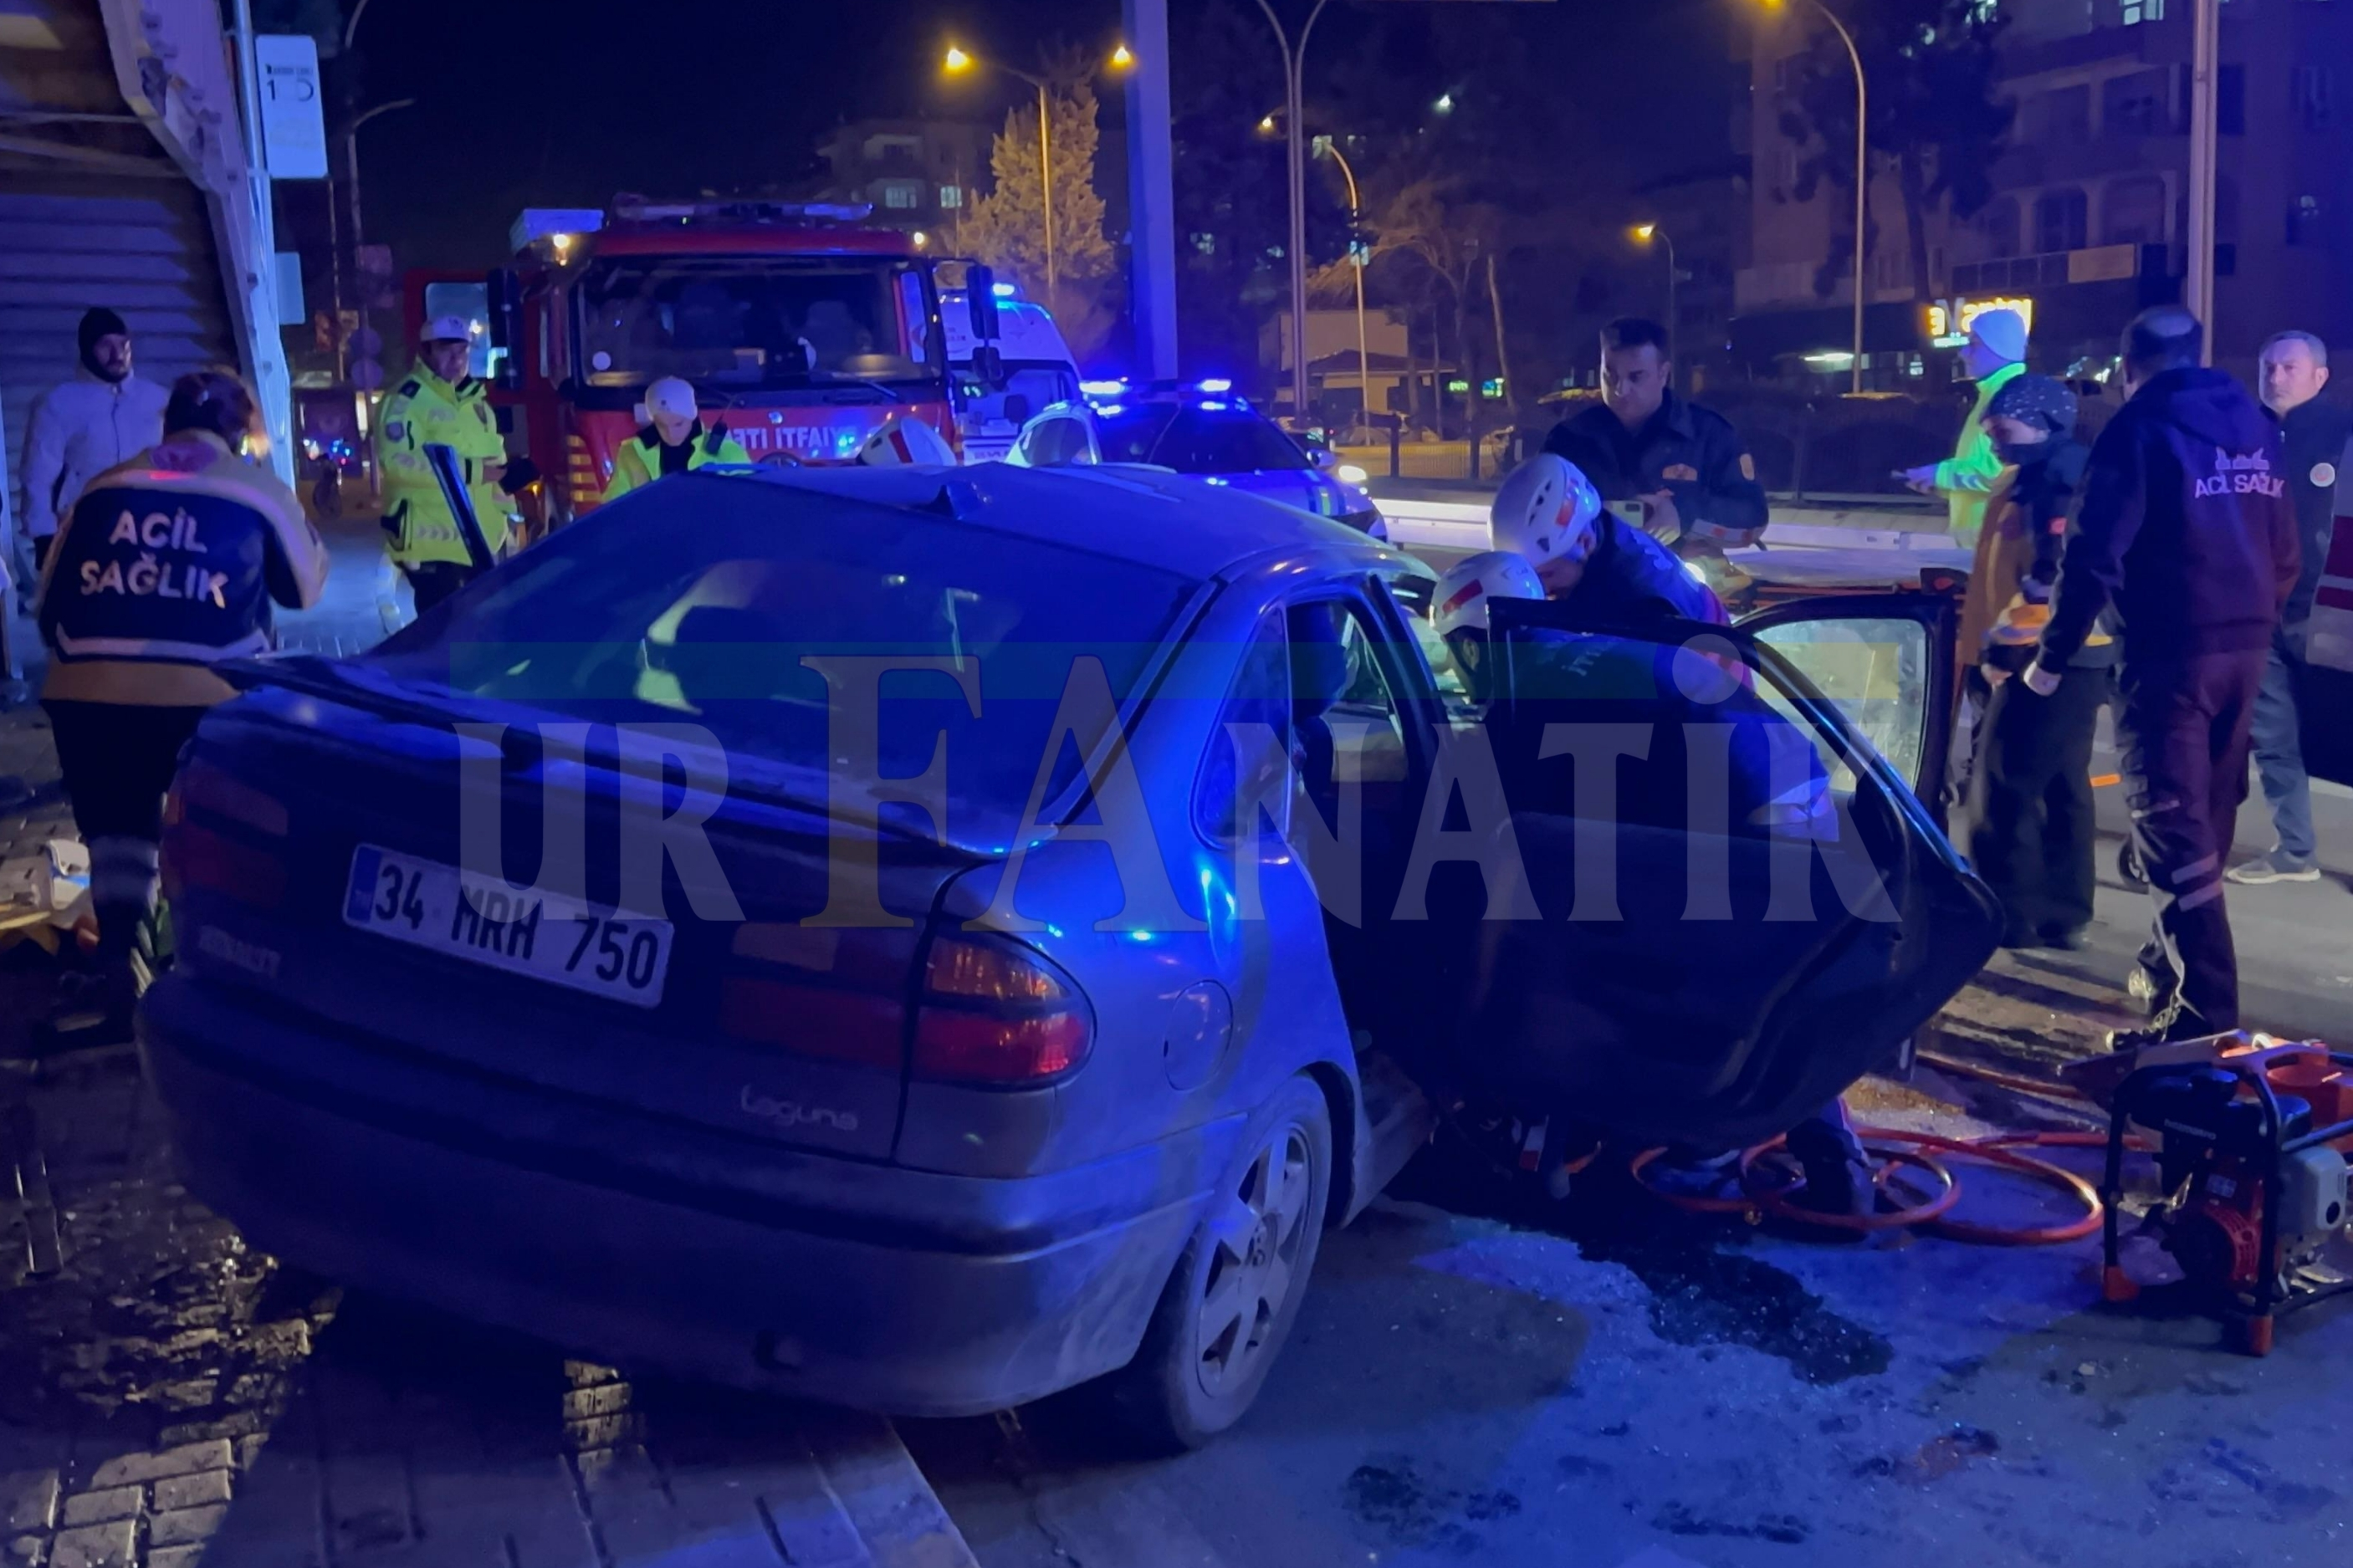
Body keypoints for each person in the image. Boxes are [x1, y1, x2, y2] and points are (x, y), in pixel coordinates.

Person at [2026, 307, 2299, 1048]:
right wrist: (2252, 623)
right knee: (2207, 814)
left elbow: (2091, 556)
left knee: (2170, 827)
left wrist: (2051, 658)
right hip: (2242, 650)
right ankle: (2162, 965)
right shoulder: (2254, 425)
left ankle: (2202, 1018)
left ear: (2125, 368)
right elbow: (2284, 546)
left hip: (2168, 654)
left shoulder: (2135, 429)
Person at [33, 370, 328, 1039]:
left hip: (88, 695)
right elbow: (305, 588)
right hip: (204, 697)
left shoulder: (105, 484)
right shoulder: (254, 488)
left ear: (166, 425)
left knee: (116, 835)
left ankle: (119, 961)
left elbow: (49, 603)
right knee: (224, 826)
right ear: (237, 431)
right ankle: (221, 967)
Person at [1957, 373, 2112, 951]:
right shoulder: (2040, 475)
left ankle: (2006, 911)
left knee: (2002, 785)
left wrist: (2000, 649)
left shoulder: (2055, 480)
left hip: (2040, 656)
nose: (1996, 440)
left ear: (2045, 422)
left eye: (2005, 428)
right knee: (2058, 783)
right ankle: (2061, 911)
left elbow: (2050, 578)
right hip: (2071, 654)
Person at [2228, 330, 2350, 885]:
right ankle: (2294, 849)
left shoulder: (2341, 435)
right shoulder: (2241, 434)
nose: (2275, 377)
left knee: (2337, 732)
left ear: (2319, 377)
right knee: (2273, 733)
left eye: (2289, 368)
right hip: (2257, 610)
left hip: (2327, 614)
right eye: (2268, 366)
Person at [1541, 318, 1768, 559]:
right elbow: (1534, 515)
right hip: (1594, 584)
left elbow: (1752, 516)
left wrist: (1683, 513)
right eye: (1610, 375)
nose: (1620, 389)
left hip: (1681, 584)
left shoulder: (1709, 436)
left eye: (1636, 377)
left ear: (1663, 373)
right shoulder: (1569, 440)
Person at [18, 308, 169, 587]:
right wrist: (43, 535)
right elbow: (38, 474)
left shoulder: (157, 400)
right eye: (105, 345)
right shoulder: (59, 403)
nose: (117, 353)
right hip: (85, 528)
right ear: (87, 349)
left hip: (150, 528)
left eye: (123, 344)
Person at [1488, 452, 1728, 628]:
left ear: (1582, 542)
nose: (1541, 589)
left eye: (1546, 575)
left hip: (1712, 686)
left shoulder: (1629, 600)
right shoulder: (1603, 530)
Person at [376, 316, 512, 615]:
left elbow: (495, 463)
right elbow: (397, 461)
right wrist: (476, 473)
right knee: (444, 631)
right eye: (446, 350)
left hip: (480, 541)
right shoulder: (405, 401)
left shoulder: (477, 404)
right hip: (430, 543)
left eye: (462, 351)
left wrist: (508, 501)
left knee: (478, 630)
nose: (457, 359)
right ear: (425, 353)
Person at [1902, 307, 2028, 550]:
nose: (1963, 353)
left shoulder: (2008, 398)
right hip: (1981, 545)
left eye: (1974, 344)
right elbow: (1986, 472)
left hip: (1992, 547)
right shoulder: (1995, 395)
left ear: (1998, 348)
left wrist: (1939, 474)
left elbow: (2002, 474)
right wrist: (1941, 485)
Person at [601, 376, 751, 501]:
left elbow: (749, 502)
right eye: (661, 425)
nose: (671, 433)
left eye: (678, 424)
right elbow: (612, 508)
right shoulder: (631, 452)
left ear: (692, 416)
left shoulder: (729, 453)